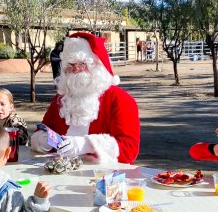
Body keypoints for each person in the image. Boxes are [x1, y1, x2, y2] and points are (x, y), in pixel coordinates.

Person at [31, 32, 140, 164]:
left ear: (97, 66)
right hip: (61, 172)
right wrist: (44, 141)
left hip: (102, 177)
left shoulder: (120, 99)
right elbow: (43, 130)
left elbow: (129, 149)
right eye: (70, 66)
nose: (76, 70)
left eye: (82, 64)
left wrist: (83, 145)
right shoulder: (61, 98)